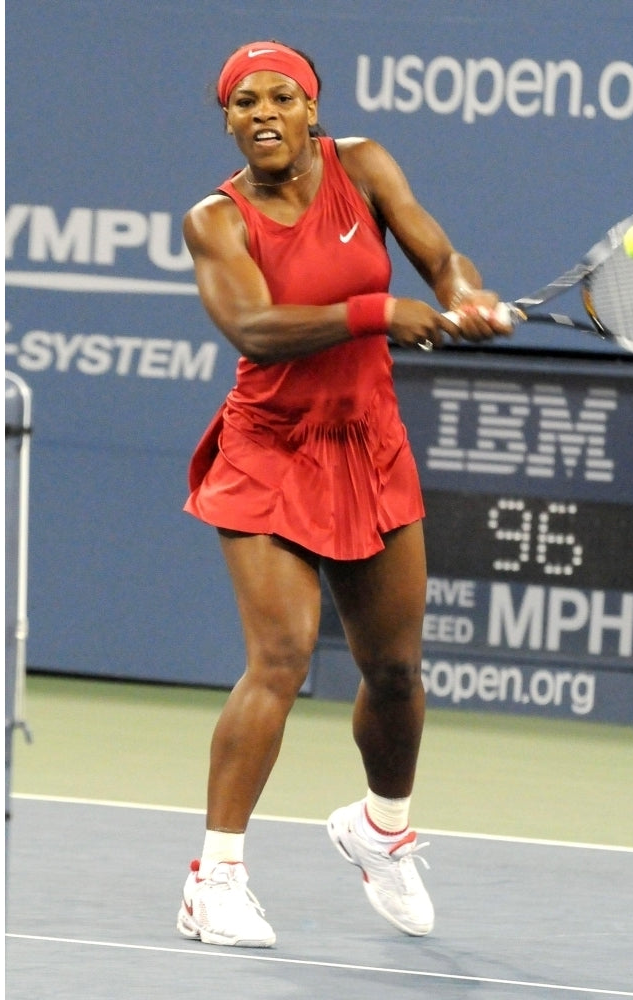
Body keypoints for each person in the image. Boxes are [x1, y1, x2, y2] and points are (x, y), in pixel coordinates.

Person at [173, 40, 511, 948]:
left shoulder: (362, 166)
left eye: (282, 95)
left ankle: (381, 830)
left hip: (368, 445)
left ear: (312, 110)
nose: (264, 111)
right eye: (244, 101)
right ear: (231, 121)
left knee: (395, 672)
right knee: (279, 658)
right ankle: (216, 877)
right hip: (270, 450)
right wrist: (377, 311)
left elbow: (438, 255)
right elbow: (253, 327)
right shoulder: (217, 219)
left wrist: (464, 293)